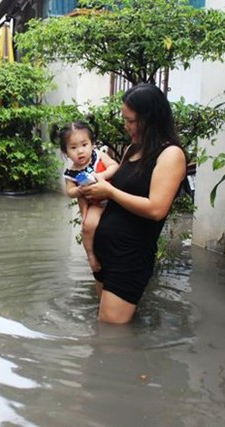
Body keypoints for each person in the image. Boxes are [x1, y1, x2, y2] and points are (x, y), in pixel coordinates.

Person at [79, 84, 187, 324]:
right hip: (107, 251)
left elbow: (156, 209)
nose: (127, 126)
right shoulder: (132, 149)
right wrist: (98, 191)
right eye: (125, 120)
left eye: (132, 121)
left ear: (151, 118)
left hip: (130, 257)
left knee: (111, 334)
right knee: (105, 327)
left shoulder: (170, 155)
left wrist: (111, 191)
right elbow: (122, 196)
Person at [56, 121, 119, 272]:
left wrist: (101, 176)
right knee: (88, 226)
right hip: (96, 204)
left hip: (114, 198)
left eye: (84, 145)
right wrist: (79, 190)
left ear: (92, 144)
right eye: (73, 147)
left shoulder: (99, 156)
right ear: (65, 153)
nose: (80, 151)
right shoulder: (71, 173)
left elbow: (115, 166)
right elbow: (69, 192)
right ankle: (91, 256)